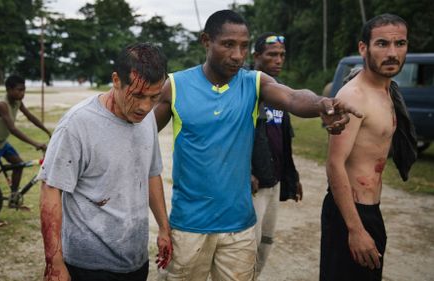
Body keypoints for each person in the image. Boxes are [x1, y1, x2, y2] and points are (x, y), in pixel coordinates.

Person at [154, 10, 361, 281]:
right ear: (206, 41)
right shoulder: (175, 86)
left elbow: (293, 97)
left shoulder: (254, 83)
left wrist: (321, 104)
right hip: (189, 226)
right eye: (228, 44)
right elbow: (139, 137)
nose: (238, 55)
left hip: (239, 227)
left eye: (243, 46)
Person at [38, 43, 173, 281]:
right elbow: (51, 190)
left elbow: (151, 174)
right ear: (116, 80)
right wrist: (54, 261)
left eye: (154, 97)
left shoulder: (147, 119)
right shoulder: (77, 124)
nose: (145, 106)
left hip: (135, 261)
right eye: (138, 95)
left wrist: (163, 228)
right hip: (89, 266)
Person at [321, 14, 416, 281]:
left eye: (400, 44)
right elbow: (334, 164)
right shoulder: (353, 96)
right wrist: (356, 230)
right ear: (364, 48)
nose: (392, 53)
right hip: (349, 215)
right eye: (382, 44)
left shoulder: (387, 91)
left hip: (371, 210)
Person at [250, 32, 302, 276]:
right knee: (247, 244)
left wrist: (292, 175)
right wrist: (246, 170)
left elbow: (284, 138)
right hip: (253, 184)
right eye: (272, 55)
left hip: (275, 180)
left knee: (266, 242)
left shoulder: (280, 92)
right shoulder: (246, 87)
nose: (278, 60)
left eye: (282, 55)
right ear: (256, 56)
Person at [0, 74, 50, 225]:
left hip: (1, 142)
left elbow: (30, 116)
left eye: (24, 90)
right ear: (9, 90)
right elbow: (12, 129)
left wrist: (46, 130)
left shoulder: (17, 101)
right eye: (19, 90)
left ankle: (13, 197)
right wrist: (35, 143)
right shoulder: (2, 105)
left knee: (19, 165)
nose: (22, 93)